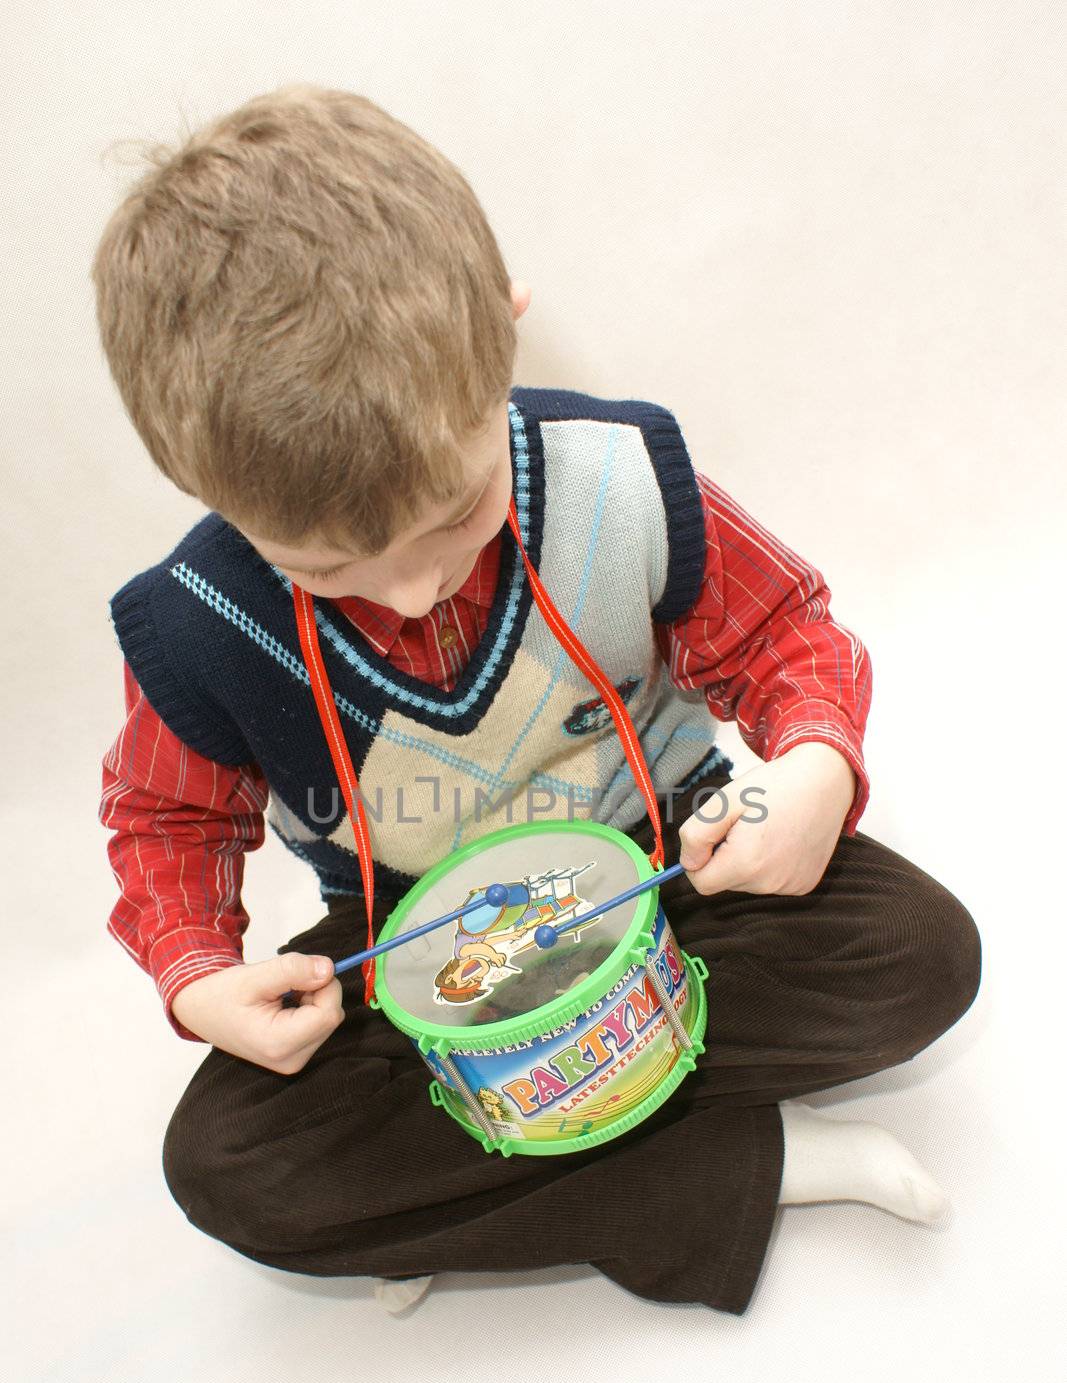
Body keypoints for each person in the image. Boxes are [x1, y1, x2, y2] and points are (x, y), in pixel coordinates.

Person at [93, 84, 982, 1318]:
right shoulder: (199, 623)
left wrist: (814, 774)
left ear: (502, 334)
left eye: (454, 516)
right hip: (424, 957)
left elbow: (783, 635)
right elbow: (165, 820)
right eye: (327, 568)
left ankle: (480, 1182)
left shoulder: (612, 472)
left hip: (666, 870)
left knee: (917, 955)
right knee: (230, 1173)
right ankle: (745, 1164)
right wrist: (196, 974)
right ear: (201, 481)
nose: (414, 585)